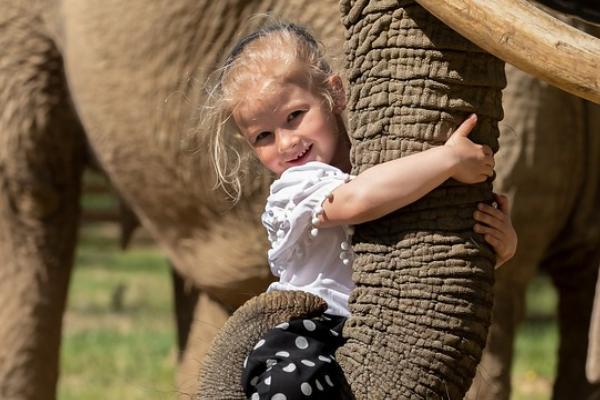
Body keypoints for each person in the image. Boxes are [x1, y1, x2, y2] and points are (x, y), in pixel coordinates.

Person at [206, 22, 517, 400]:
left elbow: (422, 264)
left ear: (334, 93)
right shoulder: (296, 187)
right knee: (289, 385)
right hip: (308, 332)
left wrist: (499, 247)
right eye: (263, 137)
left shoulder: (375, 171)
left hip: (378, 325)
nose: (286, 142)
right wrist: (446, 159)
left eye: (295, 115)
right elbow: (353, 202)